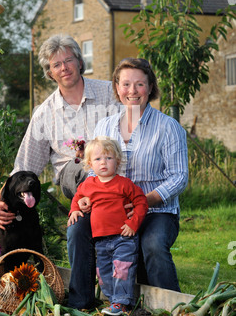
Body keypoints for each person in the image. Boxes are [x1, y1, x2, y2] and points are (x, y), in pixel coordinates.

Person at [0, 34, 119, 307]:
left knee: (84, 225)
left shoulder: (110, 93)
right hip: (74, 179)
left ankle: (95, 296)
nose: (64, 67)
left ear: (79, 61)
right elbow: (24, 168)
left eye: (68, 60)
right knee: (85, 170)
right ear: (49, 72)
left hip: (115, 178)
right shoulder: (45, 113)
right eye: (56, 64)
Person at [77, 57, 188, 294]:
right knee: (77, 229)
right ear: (117, 88)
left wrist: (143, 202)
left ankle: (172, 309)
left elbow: (179, 177)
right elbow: (91, 171)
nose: (132, 91)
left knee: (153, 245)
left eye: (140, 84)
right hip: (109, 210)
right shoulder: (104, 127)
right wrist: (84, 199)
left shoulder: (168, 127)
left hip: (157, 212)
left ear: (150, 87)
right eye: (126, 84)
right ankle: (83, 298)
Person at [68, 137, 148, 316]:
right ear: (89, 164)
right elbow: (77, 197)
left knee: (121, 269)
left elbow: (141, 202)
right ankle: (115, 302)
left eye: (108, 158)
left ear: (117, 161)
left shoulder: (124, 184)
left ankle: (122, 302)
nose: (103, 162)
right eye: (98, 159)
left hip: (123, 237)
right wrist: (74, 210)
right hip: (101, 240)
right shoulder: (88, 184)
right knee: (103, 273)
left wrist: (133, 223)